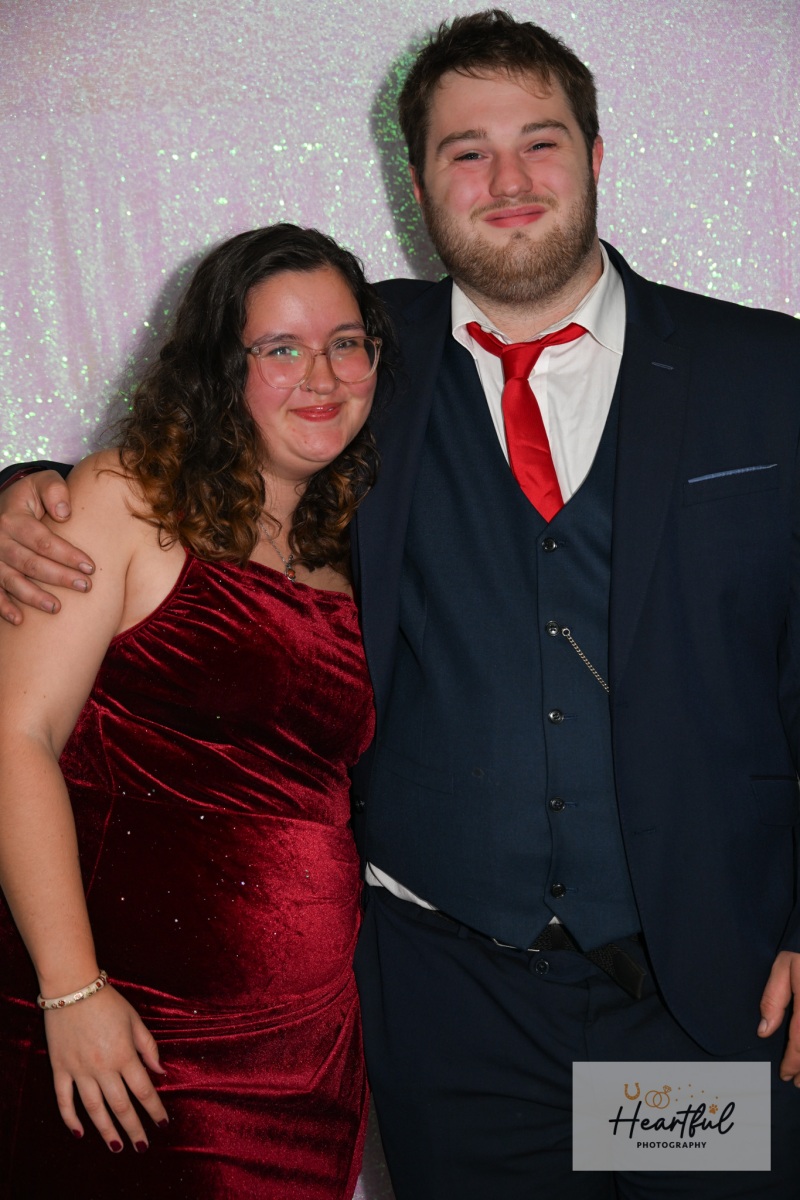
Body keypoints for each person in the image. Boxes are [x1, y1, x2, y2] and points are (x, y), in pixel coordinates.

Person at [2, 9, 800, 1199]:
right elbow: (200, 444)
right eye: (464, 152)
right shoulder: (364, 357)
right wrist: (24, 493)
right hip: (454, 1018)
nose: (506, 180)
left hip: (698, 1004)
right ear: (416, 182)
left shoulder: (764, 374)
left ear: (594, 154)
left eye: (538, 142)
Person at [0, 222, 393, 1199]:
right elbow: (15, 739)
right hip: (129, 1035)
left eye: (346, 343)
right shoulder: (124, 499)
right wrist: (72, 991)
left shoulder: (355, 547)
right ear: (222, 366)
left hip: (305, 1055)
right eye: (281, 348)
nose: (322, 376)